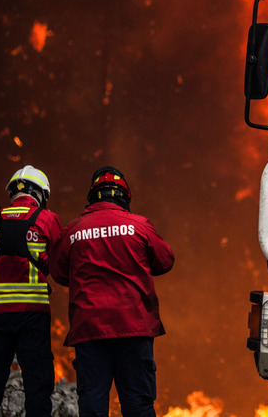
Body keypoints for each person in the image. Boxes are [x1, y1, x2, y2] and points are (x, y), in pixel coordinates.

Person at [50, 166, 175, 417]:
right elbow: (165, 261)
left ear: (93, 196)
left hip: (90, 329)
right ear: (124, 197)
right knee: (138, 403)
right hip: (134, 327)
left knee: (93, 404)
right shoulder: (139, 226)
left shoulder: (73, 230)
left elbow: (59, 271)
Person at [0, 165, 61, 417]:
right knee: (38, 385)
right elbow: (59, 263)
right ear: (41, 194)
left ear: (12, 191)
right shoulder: (48, 219)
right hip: (33, 316)